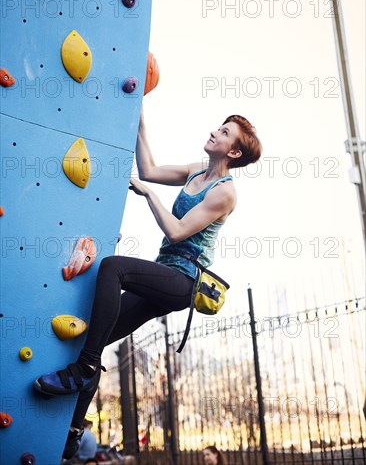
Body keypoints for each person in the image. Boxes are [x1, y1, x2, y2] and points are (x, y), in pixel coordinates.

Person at [34, 108, 262, 459]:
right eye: (219, 126)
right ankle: (73, 435)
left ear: (233, 152)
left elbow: (176, 230)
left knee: (112, 268)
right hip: (163, 273)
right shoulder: (196, 170)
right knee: (95, 334)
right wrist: (141, 126)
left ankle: (83, 369)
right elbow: (150, 170)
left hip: (183, 281)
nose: (215, 132)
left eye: (225, 132)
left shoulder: (224, 192)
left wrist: (146, 194)